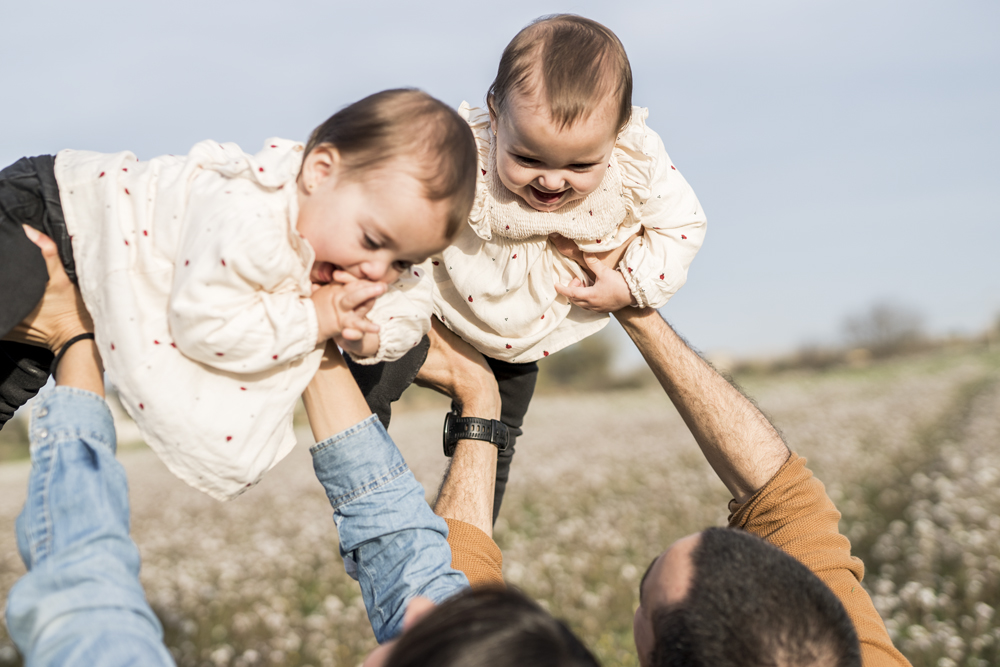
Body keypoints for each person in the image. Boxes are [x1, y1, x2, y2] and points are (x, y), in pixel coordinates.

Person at [0, 88, 478, 501]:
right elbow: (205, 323)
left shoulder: (351, 249)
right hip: (51, 216)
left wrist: (370, 336)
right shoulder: (248, 213)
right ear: (319, 172)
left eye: (400, 261)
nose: (376, 270)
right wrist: (314, 319)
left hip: (83, 281)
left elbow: (411, 303)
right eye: (373, 241)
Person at [347, 14, 707, 523]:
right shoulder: (465, 149)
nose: (552, 181)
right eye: (528, 158)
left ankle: (469, 537)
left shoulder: (636, 162)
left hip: (524, 333)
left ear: (619, 132)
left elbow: (683, 227)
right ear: (495, 116)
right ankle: (364, 498)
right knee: (374, 372)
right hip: (435, 305)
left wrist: (628, 285)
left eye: (581, 166)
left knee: (499, 435)